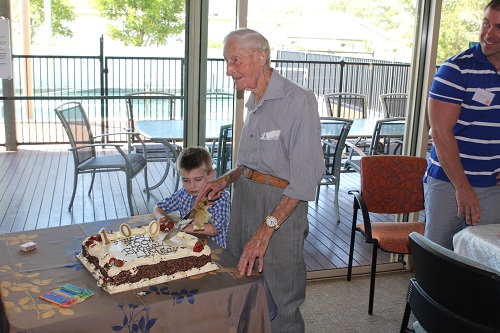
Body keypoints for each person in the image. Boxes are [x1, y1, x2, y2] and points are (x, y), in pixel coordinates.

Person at [197, 28, 324, 333]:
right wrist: (226, 179)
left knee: (280, 296)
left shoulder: (299, 101)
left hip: (281, 208)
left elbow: (306, 179)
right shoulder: (254, 100)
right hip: (245, 199)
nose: (228, 70)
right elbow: (249, 164)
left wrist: (265, 231)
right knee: (242, 285)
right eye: (227, 62)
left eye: (235, 61)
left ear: (260, 57)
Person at [424, 0, 500, 250]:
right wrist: (462, 187)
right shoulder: (455, 69)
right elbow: (440, 133)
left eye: (499, 28)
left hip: (493, 187)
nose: (488, 34)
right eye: (486, 23)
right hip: (449, 185)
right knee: (438, 264)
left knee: (483, 264)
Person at [153, 146, 230, 248]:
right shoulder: (183, 194)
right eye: (186, 180)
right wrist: (160, 217)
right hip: (187, 247)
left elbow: (215, 229)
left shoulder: (220, 197)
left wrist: (183, 227)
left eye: (197, 179)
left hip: (213, 250)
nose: (191, 186)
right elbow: (158, 207)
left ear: (210, 174)